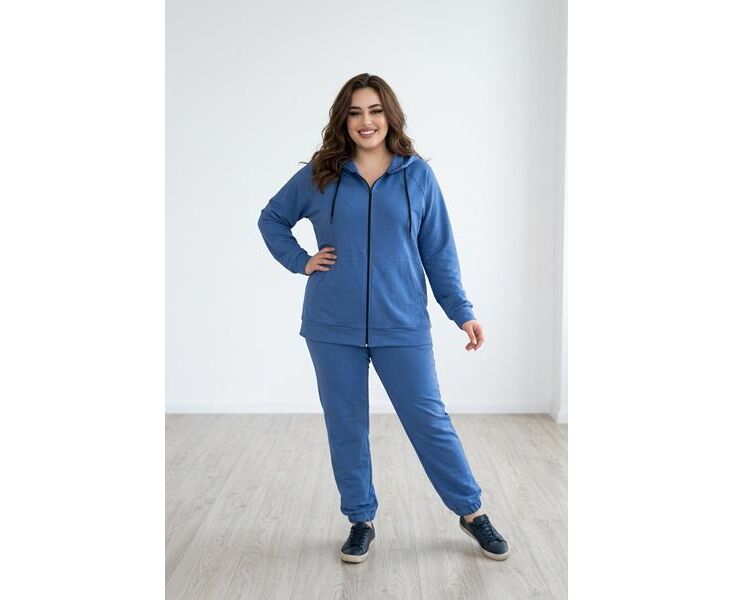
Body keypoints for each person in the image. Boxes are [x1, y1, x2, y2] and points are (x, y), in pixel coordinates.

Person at [257, 73, 510, 563]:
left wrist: (461, 312)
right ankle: (360, 519)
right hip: (332, 325)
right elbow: (272, 218)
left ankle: (471, 511)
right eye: (355, 112)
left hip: (402, 322)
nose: (366, 121)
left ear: (390, 115)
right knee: (346, 425)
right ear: (343, 119)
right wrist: (301, 260)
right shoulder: (322, 174)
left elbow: (438, 251)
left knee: (428, 420)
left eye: (374, 110)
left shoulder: (417, 176)